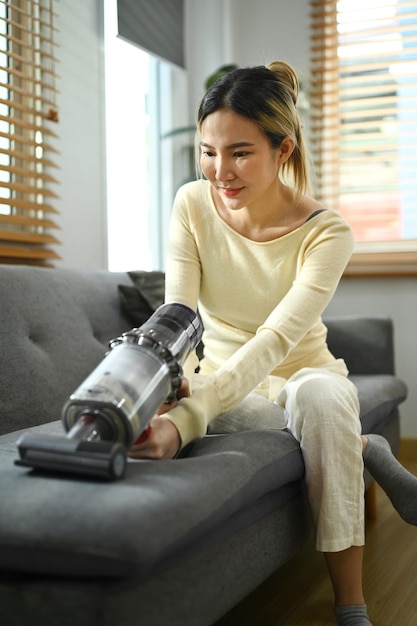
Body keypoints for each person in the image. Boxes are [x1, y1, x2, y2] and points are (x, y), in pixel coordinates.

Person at [128, 60, 416, 625]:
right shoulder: (191, 204)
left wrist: (194, 409)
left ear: (283, 150)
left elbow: (276, 339)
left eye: (239, 152)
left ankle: (351, 607)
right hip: (227, 382)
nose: (219, 171)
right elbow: (182, 313)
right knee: (310, 423)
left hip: (301, 370)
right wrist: (171, 383)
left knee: (325, 401)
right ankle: (362, 449)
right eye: (208, 151)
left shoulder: (328, 233)